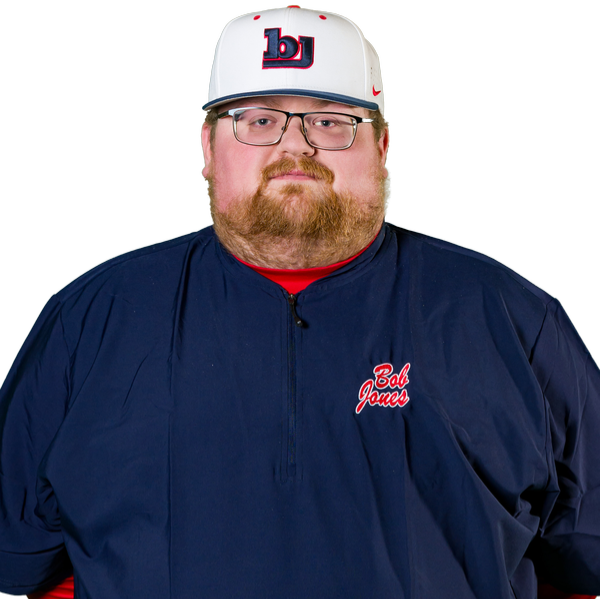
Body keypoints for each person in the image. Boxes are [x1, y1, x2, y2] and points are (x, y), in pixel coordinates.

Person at [1, 6, 599, 599]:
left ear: (382, 145)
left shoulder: (514, 319)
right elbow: (20, 563)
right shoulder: (90, 319)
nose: (295, 147)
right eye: (258, 120)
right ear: (206, 146)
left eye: (330, 121)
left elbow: (587, 559)